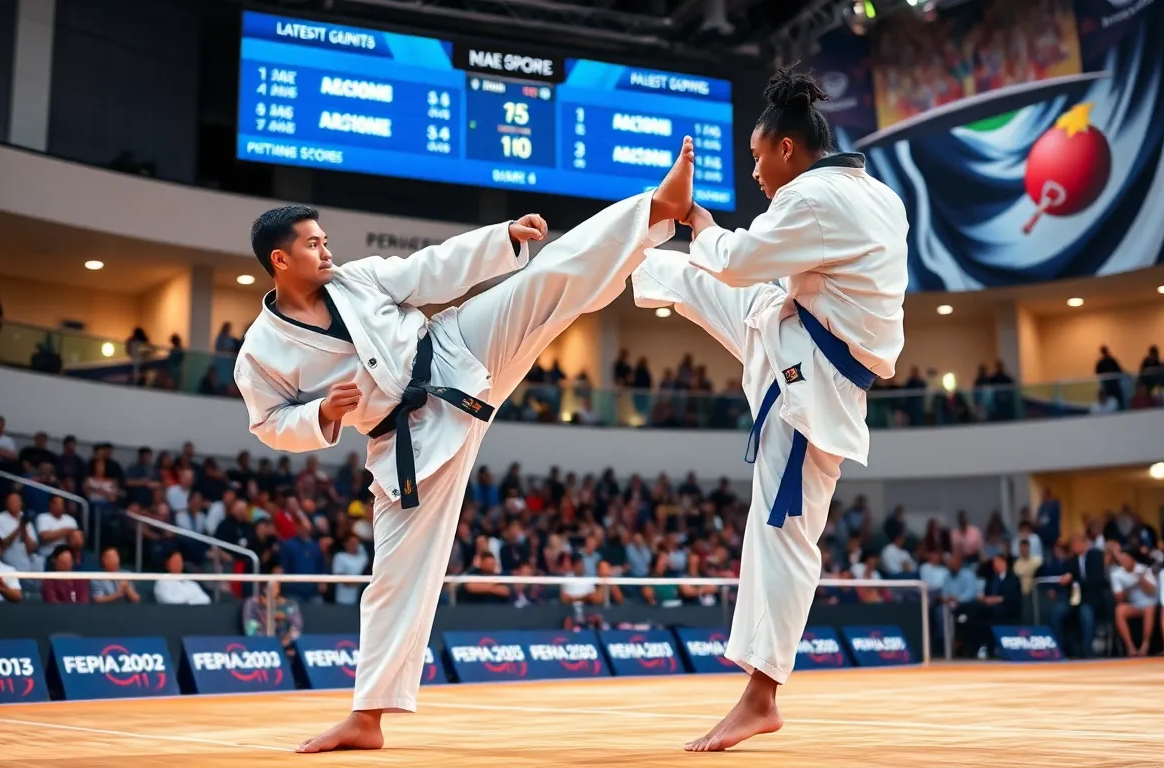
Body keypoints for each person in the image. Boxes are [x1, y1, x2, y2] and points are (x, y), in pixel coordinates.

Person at [236, 137, 691, 754]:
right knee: (396, 576)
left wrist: (501, 238)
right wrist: (319, 413)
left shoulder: (356, 280)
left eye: (324, 240)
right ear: (279, 260)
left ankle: (655, 209)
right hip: (406, 441)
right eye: (313, 244)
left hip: (454, 352)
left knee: (544, 281)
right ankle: (367, 717)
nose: (326, 250)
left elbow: (429, 269)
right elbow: (268, 423)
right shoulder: (260, 352)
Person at [632, 65, 907, 752]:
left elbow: (736, 259)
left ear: (787, 147)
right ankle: (620, 250)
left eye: (757, 156)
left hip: (808, 381)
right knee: (677, 274)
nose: (754, 171)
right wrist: (686, 228)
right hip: (791, 333)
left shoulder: (812, 198)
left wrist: (700, 221)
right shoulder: (877, 195)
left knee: (780, 535)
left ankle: (761, 698)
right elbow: (751, 268)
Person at [1111, 548, 1159, 656]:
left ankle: (1145, 645)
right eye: (1121, 560)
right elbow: (1119, 599)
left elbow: (1152, 591)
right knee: (1119, 610)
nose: (1123, 562)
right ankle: (1130, 647)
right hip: (1134, 605)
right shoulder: (1116, 574)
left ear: (1132, 559)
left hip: (1149, 603)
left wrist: (1141, 580)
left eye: (1125, 559)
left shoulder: (1144, 569)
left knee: (1149, 608)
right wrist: (1129, 587)